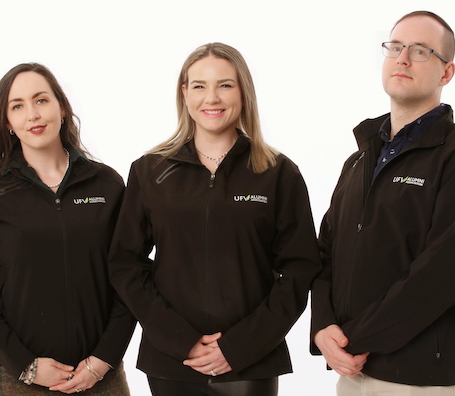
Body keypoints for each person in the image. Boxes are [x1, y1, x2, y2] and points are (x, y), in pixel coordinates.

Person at [107, 42, 321, 396]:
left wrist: (239, 347)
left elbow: (300, 270)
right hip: (172, 361)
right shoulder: (149, 171)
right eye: (199, 86)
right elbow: (124, 264)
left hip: (250, 363)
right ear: (184, 93)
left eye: (225, 85)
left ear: (243, 92)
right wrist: (180, 340)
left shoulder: (277, 173)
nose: (212, 98)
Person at [310, 11, 455, 395]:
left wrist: (355, 338)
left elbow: (442, 277)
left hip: (420, 379)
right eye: (395, 47)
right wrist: (323, 326)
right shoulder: (361, 157)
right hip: (352, 371)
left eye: (420, 51)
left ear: (446, 73)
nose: (402, 58)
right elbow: (327, 250)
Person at [0, 63, 136, 395]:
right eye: (18, 106)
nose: (32, 115)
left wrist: (102, 360)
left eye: (41, 100)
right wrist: (25, 364)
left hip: (98, 375)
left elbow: (128, 278)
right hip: (14, 376)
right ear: (7, 123)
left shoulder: (107, 184)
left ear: (62, 108)